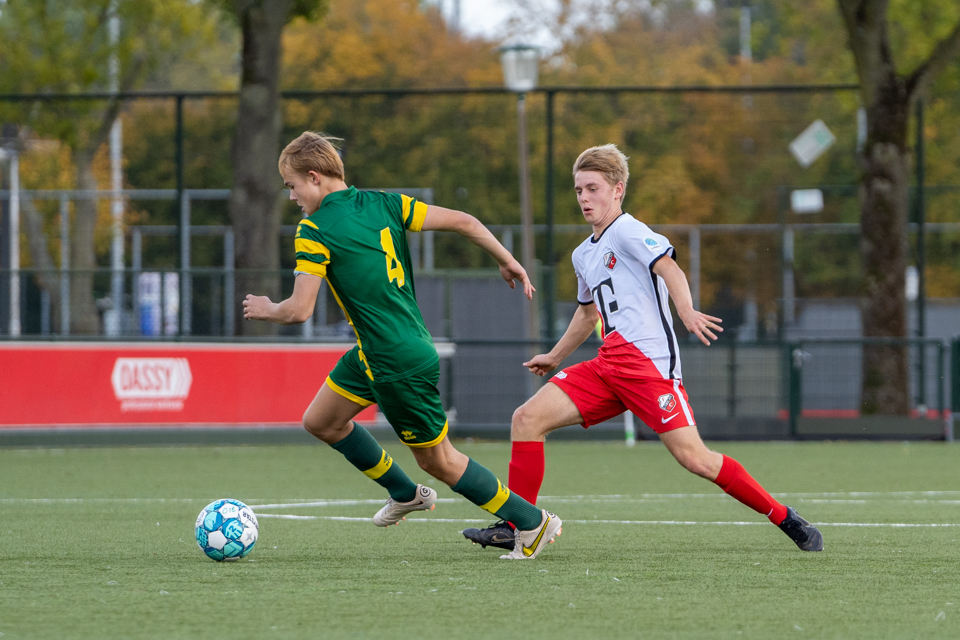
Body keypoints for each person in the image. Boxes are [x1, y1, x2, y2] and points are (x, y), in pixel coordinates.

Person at [462, 144, 823, 553]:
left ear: (617, 190)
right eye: (579, 189)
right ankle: (519, 524)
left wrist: (686, 311)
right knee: (527, 419)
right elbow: (586, 315)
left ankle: (786, 518)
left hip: (647, 366)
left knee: (696, 460)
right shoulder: (584, 253)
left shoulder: (629, 230)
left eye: (593, 188)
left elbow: (669, 267)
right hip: (607, 364)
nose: (584, 198)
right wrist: (556, 356)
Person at [242, 132, 561, 560]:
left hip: (395, 362)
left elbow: (299, 310)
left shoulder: (314, 229)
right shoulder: (386, 203)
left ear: (314, 177)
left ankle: (531, 522)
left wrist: (267, 308)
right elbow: (465, 221)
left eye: (292, 186)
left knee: (440, 462)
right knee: (321, 421)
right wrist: (507, 259)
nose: (293, 196)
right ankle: (405, 493)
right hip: (379, 352)